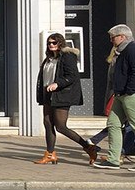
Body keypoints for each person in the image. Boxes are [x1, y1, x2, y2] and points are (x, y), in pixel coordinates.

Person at [35, 31, 96, 165]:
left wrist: (57, 84)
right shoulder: (49, 59)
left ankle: (89, 148)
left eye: (54, 42)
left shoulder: (67, 56)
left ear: (60, 43)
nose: (51, 45)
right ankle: (50, 154)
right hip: (48, 94)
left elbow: (72, 76)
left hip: (62, 94)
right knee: (47, 123)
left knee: (61, 126)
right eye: (49, 43)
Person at [104, 25, 135, 167]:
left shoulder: (131, 49)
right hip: (120, 94)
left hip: (129, 95)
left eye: (113, 38)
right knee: (113, 124)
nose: (111, 41)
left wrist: (130, 90)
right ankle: (113, 160)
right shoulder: (121, 52)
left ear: (122, 37)